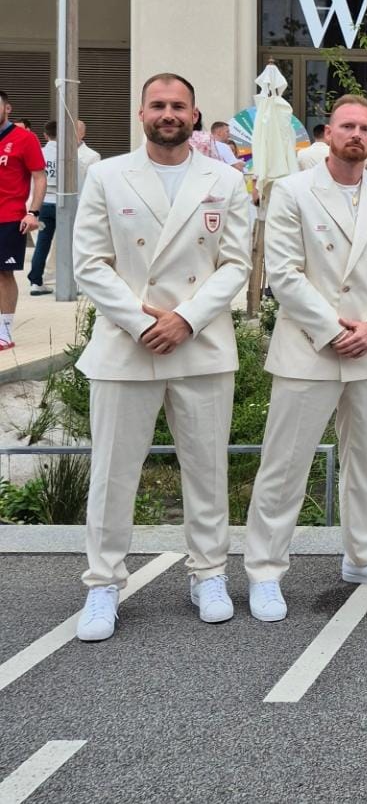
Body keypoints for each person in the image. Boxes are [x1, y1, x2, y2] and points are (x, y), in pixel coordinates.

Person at [71, 73, 251, 641]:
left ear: (196, 115)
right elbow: (90, 264)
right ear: (141, 113)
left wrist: (186, 319)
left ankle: (209, 573)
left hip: (199, 344)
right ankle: (103, 584)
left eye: (178, 105)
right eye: (158, 105)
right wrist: (142, 320)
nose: (168, 113)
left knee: (206, 469)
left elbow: (237, 265)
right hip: (127, 345)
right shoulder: (106, 175)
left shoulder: (225, 179)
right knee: (113, 474)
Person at [244, 95, 367, 620]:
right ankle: (266, 570)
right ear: (327, 133)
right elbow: (285, 272)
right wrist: (329, 328)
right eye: (348, 126)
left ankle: (363, 556)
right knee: (285, 465)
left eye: (366, 128)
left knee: (363, 464)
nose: (358, 135)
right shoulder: (294, 192)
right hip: (308, 348)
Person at [0, 93, 46, 348]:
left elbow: (39, 177)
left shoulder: (24, 138)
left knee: (3, 274)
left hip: (8, 217)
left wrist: (33, 212)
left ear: (7, 107)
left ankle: (4, 333)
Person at [27, 121, 58, 296]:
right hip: (66, 204)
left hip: (44, 202)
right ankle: (73, 281)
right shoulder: (70, 154)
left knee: (42, 243)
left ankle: (36, 281)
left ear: (46, 135)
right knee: (72, 244)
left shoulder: (40, 153)